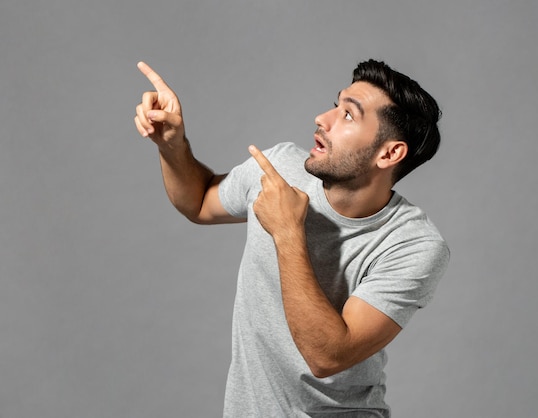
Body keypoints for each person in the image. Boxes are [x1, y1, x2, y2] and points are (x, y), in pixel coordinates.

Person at [134, 59, 449, 417]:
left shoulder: (413, 245)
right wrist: (172, 146)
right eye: (336, 105)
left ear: (389, 153)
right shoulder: (280, 168)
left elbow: (328, 356)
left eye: (348, 115)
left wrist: (287, 231)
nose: (322, 118)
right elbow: (200, 201)